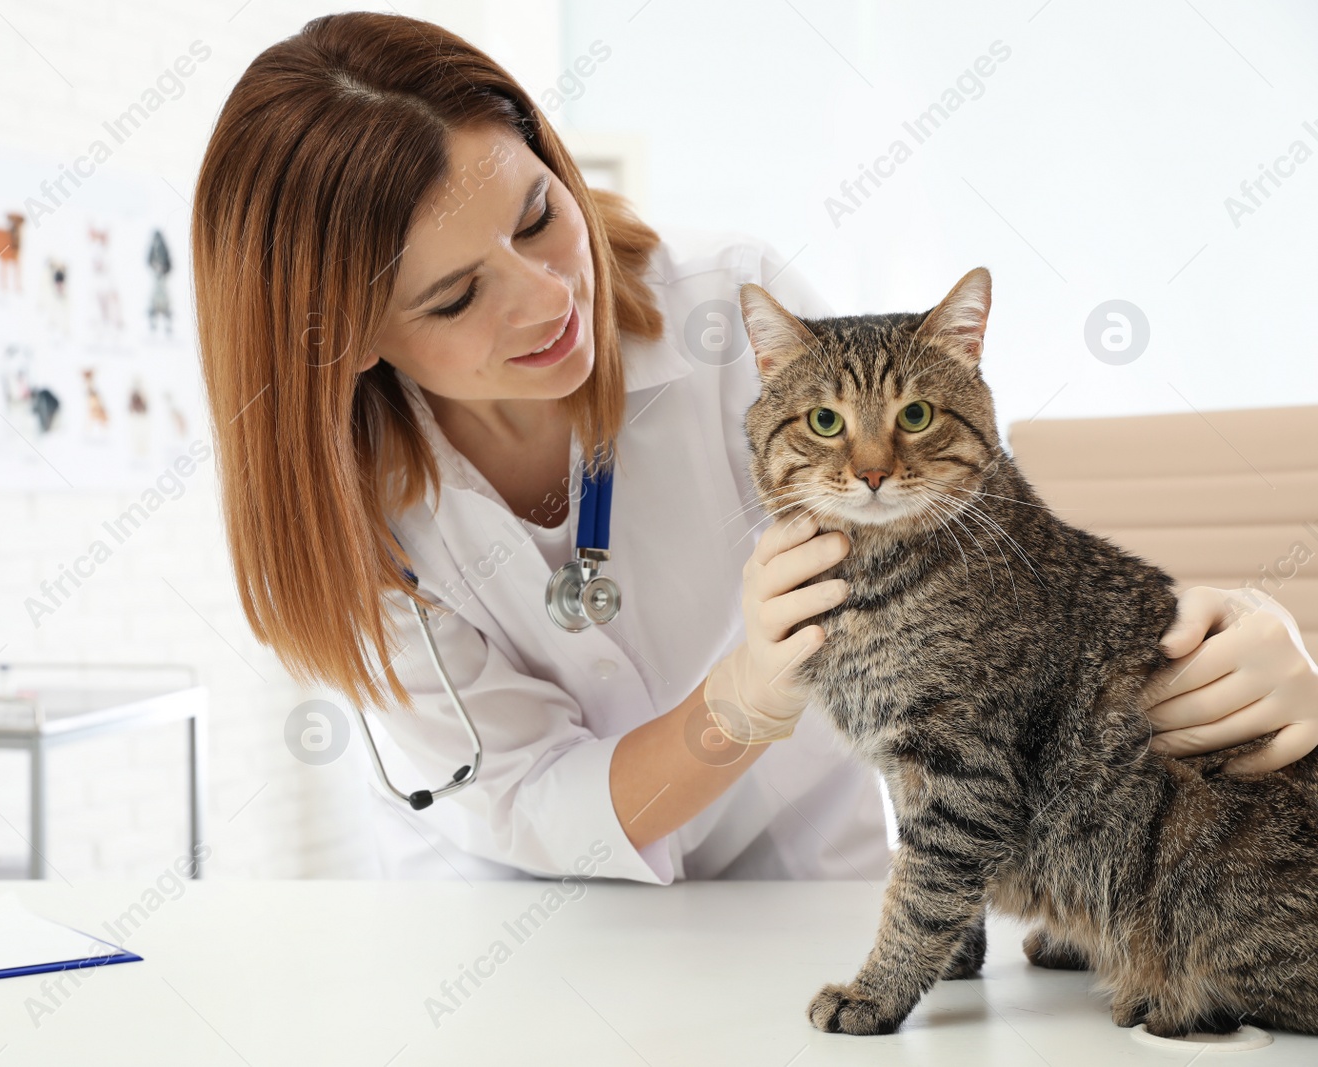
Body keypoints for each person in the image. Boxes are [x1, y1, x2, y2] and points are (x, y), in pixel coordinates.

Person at [190, 11, 1318, 883]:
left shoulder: (731, 309)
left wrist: (1228, 634)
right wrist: (731, 706)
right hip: (516, 934)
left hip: (798, 893)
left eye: (537, 215)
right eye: (453, 296)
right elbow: (531, 798)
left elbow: (972, 580)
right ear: (341, 341)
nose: (547, 299)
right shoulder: (355, 510)